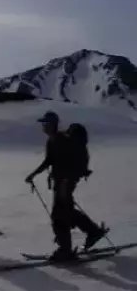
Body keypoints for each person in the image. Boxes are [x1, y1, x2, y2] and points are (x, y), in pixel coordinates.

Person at [25, 111, 108, 261]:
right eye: (43, 124)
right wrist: (33, 174)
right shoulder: (52, 140)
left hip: (66, 181)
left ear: (53, 124)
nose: (43, 127)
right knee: (66, 211)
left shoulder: (62, 140)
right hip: (61, 181)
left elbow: (70, 163)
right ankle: (93, 232)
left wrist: (65, 182)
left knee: (58, 215)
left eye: (46, 124)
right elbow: (48, 161)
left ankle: (65, 250)